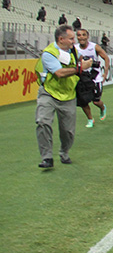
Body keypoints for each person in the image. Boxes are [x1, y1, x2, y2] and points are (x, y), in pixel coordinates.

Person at [34, 25, 94, 168]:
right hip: (48, 92)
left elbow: (79, 62)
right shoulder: (49, 53)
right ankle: (47, 157)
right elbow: (59, 73)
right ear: (61, 39)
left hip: (68, 95)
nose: (75, 41)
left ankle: (64, 151)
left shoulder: (74, 51)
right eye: (71, 38)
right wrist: (80, 67)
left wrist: (83, 64)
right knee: (42, 121)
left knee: (68, 131)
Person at [75, 29, 110, 128]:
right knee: (83, 101)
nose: (81, 37)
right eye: (79, 35)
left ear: (87, 36)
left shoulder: (94, 47)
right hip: (82, 77)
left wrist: (105, 73)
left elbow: (106, 58)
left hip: (95, 77)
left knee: (96, 101)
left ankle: (102, 107)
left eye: (83, 35)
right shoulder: (74, 48)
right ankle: (90, 119)